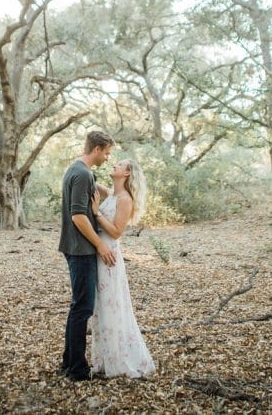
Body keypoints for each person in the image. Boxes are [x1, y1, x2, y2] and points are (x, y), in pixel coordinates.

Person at [58, 130, 116, 381]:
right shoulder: (82, 174)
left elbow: (106, 193)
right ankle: (77, 371)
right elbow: (79, 216)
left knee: (78, 307)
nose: (107, 158)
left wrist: (122, 190)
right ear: (96, 149)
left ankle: (69, 362)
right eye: (107, 153)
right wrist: (101, 246)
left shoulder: (80, 171)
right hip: (81, 249)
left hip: (75, 247)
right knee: (82, 309)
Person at [89, 158, 156, 378]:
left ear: (127, 173)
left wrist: (97, 213)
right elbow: (89, 179)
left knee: (112, 305)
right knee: (101, 306)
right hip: (98, 253)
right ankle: (104, 359)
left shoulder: (125, 199)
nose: (114, 165)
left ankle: (119, 361)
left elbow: (117, 231)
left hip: (109, 254)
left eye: (119, 165)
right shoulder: (112, 194)